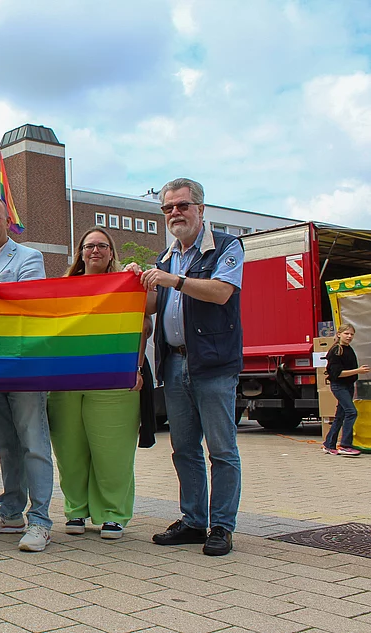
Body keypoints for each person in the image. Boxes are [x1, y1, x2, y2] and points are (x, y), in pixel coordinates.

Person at [140, 177, 244, 557]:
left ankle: (222, 526)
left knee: (221, 450)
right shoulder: (166, 257)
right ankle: (193, 520)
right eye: (168, 208)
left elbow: (221, 292)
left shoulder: (227, 247)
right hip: (174, 363)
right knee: (183, 448)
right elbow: (152, 306)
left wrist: (175, 280)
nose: (174, 213)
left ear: (200, 208)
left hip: (213, 364)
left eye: (182, 206)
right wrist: (139, 281)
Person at [46, 228, 148, 541]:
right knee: (69, 450)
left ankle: (113, 514)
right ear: (80, 251)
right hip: (66, 380)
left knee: (112, 451)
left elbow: (143, 324)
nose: (95, 251)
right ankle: (76, 510)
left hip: (114, 379)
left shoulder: (127, 284)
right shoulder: (62, 288)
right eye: (89, 245)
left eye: (102, 245)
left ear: (111, 251)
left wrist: (137, 367)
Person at [0, 198, 54, 552]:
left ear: (7, 221)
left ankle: (42, 520)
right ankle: (11, 511)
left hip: (25, 367)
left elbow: (33, 303)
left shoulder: (29, 257)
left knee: (34, 443)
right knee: (5, 444)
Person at [322, 324, 369, 457]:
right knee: (352, 412)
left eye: (351, 334)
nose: (349, 336)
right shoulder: (336, 351)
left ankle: (329, 445)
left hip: (348, 386)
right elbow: (337, 374)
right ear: (339, 334)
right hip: (339, 386)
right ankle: (345, 445)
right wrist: (358, 371)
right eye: (346, 334)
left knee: (340, 416)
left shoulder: (348, 349)